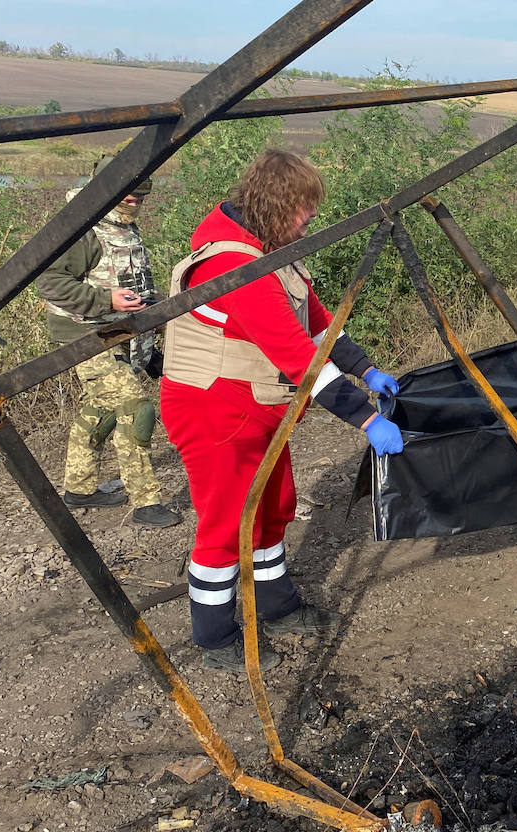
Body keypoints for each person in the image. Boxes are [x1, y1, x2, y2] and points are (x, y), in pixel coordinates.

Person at [160, 149, 404, 672]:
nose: (310, 218)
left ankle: (278, 609)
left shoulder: (272, 250)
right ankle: (215, 638)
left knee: (272, 508)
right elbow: (300, 358)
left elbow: (318, 325)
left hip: (255, 408)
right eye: (304, 209)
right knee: (226, 526)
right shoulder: (235, 267)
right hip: (214, 412)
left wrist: (366, 369)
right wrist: (367, 419)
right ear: (276, 205)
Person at [35, 160, 181, 528]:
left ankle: (80, 489)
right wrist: (106, 301)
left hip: (122, 336)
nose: (134, 203)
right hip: (86, 337)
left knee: (100, 409)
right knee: (136, 408)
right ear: (106, 190)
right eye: (128, 196)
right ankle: (146, 503)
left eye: (140, 198)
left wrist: (148, 350)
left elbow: (129, 282)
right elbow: (49, 283)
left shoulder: (123, 228)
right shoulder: (80, 229)